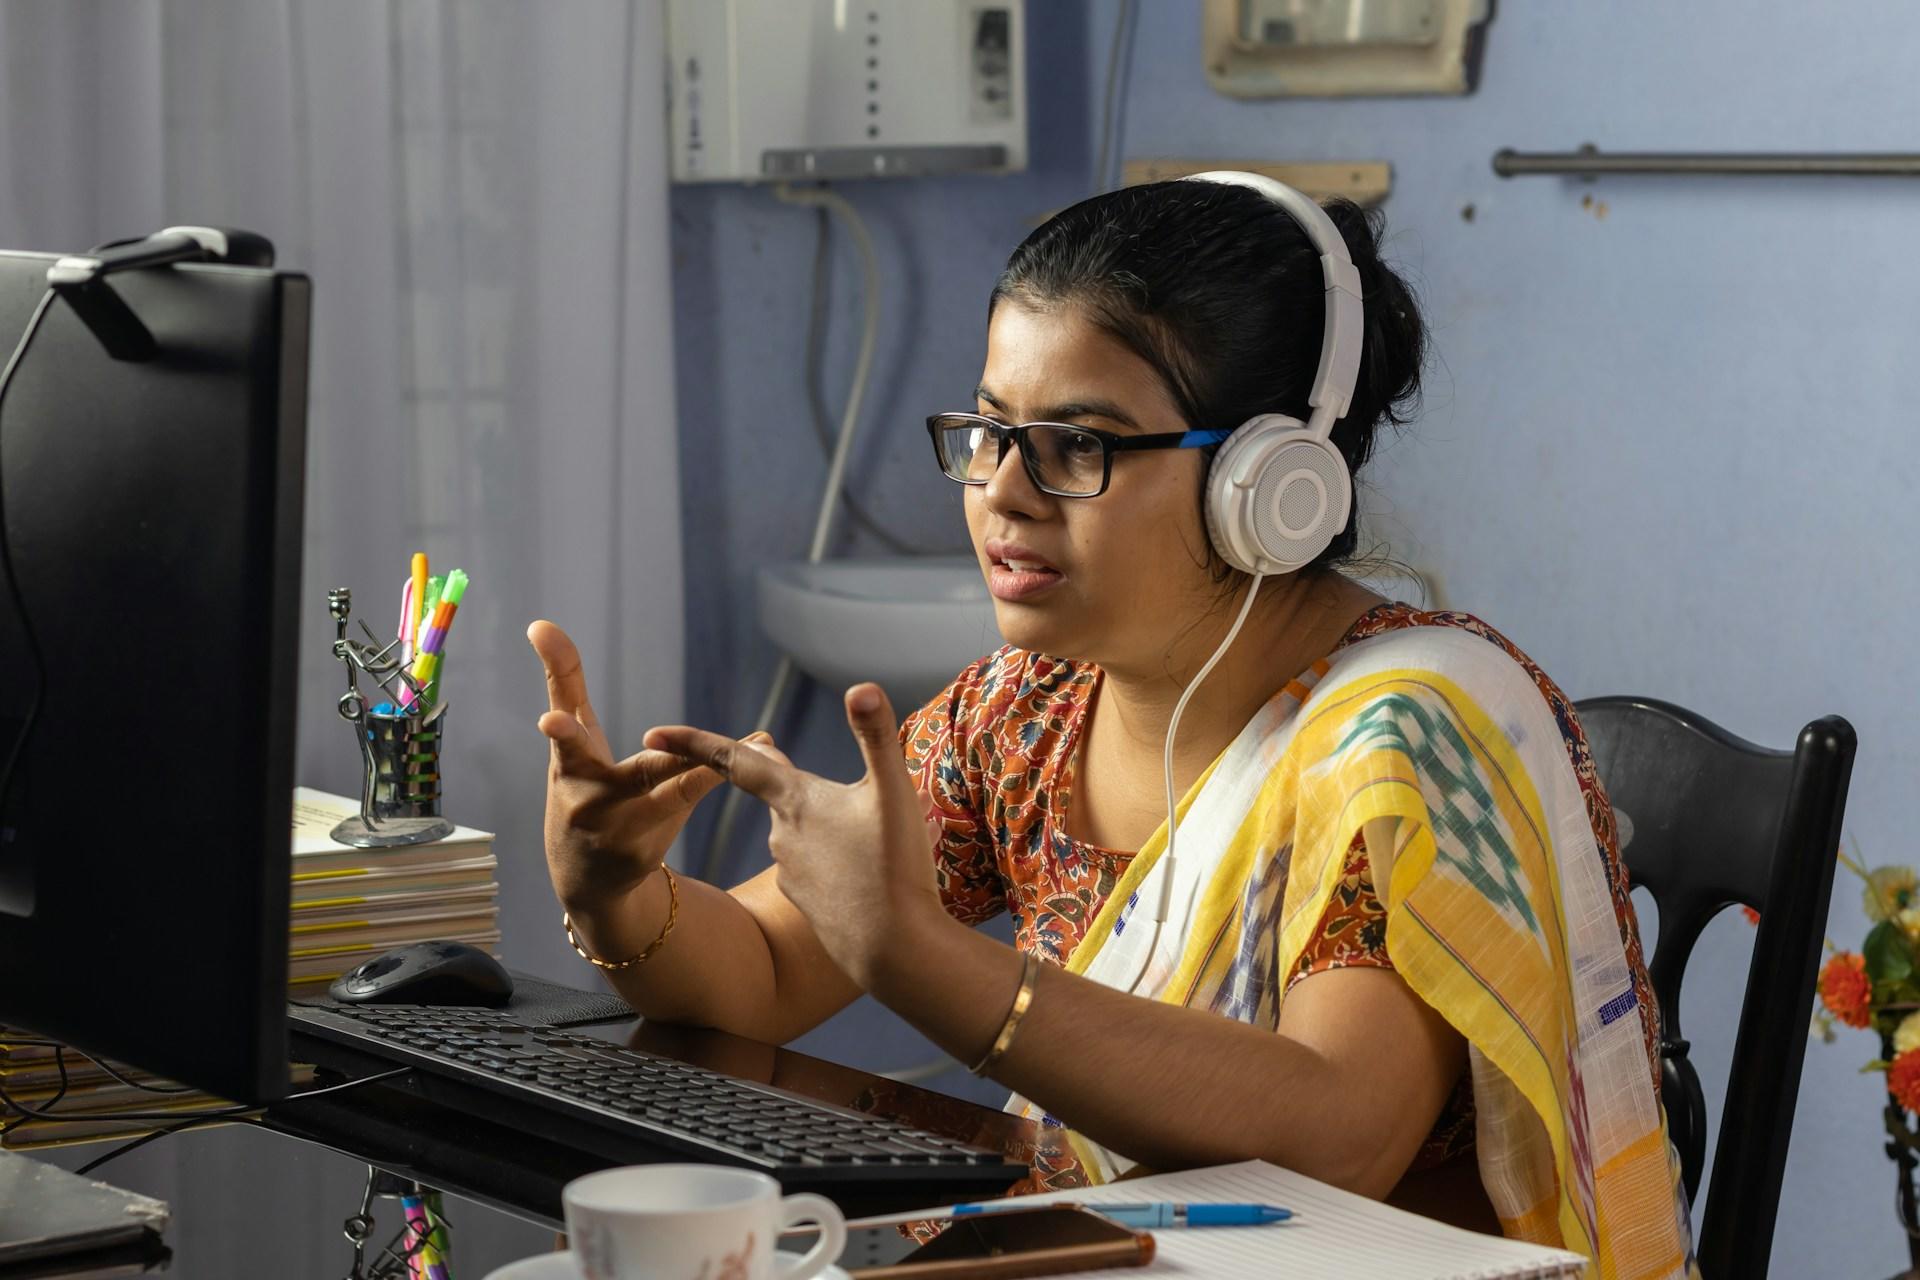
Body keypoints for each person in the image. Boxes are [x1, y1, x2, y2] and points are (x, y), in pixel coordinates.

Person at [529, 175, 1695, 1276]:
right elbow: (769, 968)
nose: (1003, 489)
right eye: (990, 430)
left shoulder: (1406, 740)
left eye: (1076, 444)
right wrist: (613, 889)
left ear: (1267, 485)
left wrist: (918, 955)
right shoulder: (1024, 707)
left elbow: (1340, 1132)